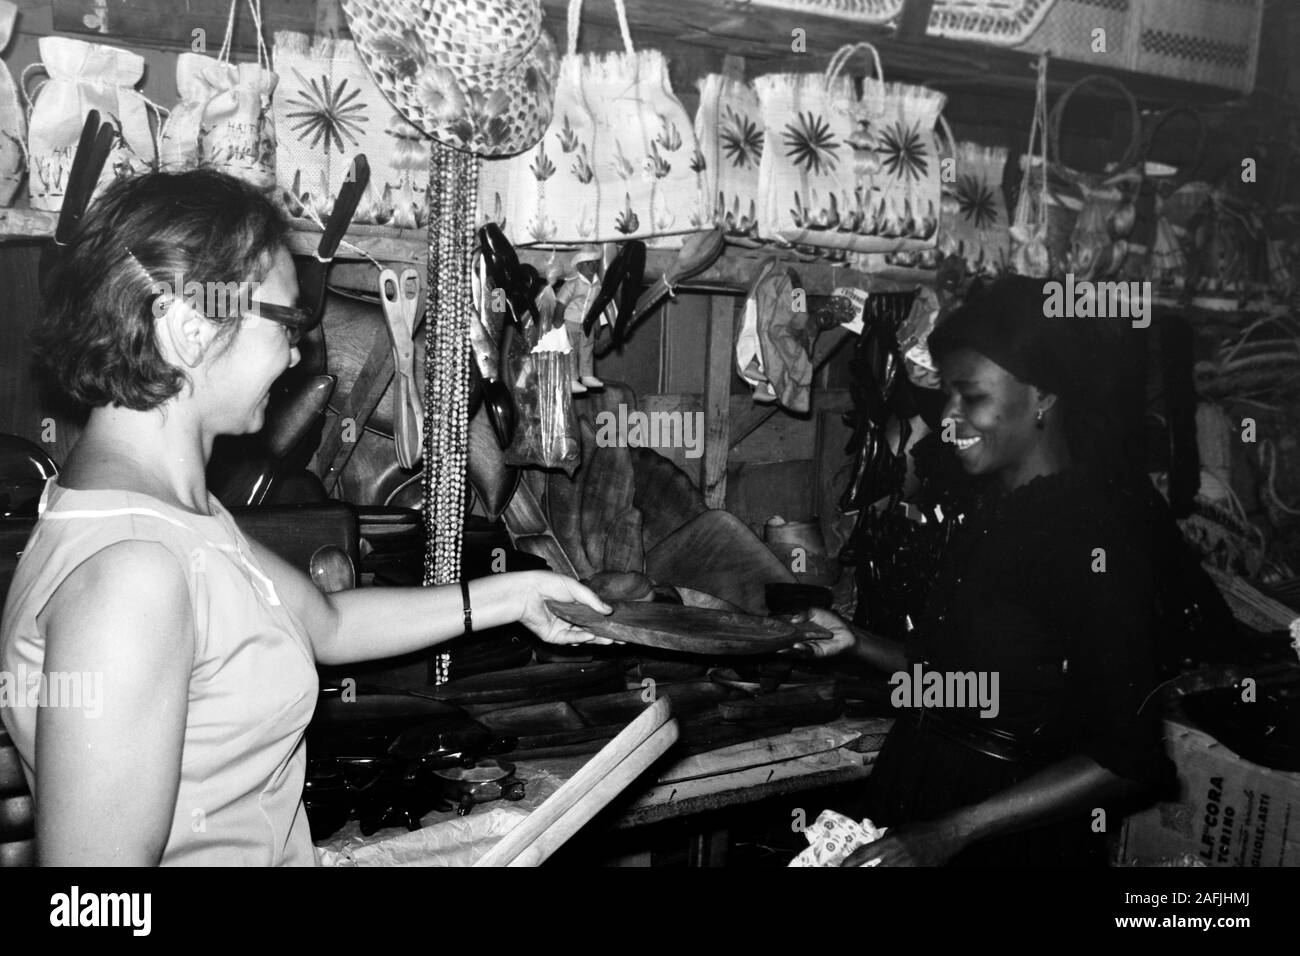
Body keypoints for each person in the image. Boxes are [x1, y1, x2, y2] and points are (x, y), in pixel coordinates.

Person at [0, 170, 613, 866]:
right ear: (191, 327)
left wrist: (518, 594)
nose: (297, 352)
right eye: (289, 322)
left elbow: (325, 622)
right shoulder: (132, 572)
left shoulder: (175, 515)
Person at [795, 275, 1176, 867]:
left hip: (1006, 839)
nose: (949, 416)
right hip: (923, 798)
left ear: (1043, 395)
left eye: (970, 396)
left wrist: (951, 833)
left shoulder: (1097, 537)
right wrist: (856, 642)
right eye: (947, 394)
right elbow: (966, 679)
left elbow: (1127, 761)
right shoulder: (992, 511)